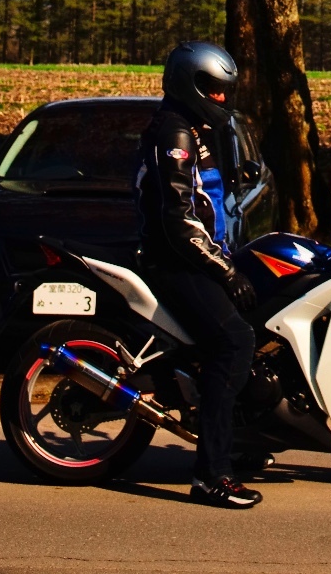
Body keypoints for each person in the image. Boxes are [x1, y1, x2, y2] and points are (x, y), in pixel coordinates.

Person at [135, 39, 261, 511]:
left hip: (199, 255)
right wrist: (225, 271)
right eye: (213, 89)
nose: (223, 99)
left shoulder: (197, 127)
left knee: (259, 317)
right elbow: (177, 220)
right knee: (234, 343)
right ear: (188, 85)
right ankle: (211, 475)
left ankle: (243, 437)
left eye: (226, 90)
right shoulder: (175, 134)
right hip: (175, 261)